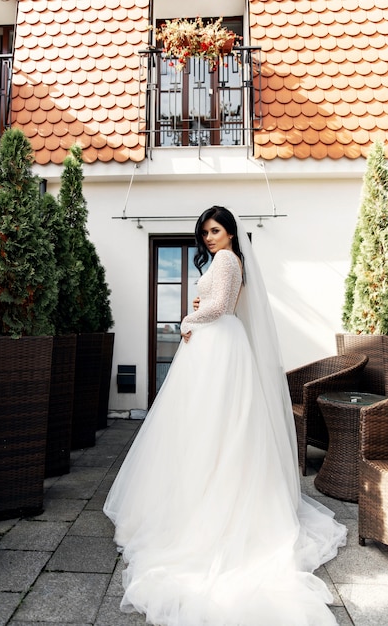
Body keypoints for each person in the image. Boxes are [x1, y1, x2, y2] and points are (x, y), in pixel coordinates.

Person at [103, 206, 347, 626]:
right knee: (205, 425)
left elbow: (218, 307)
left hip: (219, 345)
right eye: (205, 232)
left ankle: (212, 506)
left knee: (214, 424)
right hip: (217, 344)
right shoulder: (227, 261)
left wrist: (187, 317)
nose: (209, 237)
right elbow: (217, 300)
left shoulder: (228, 258)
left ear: (231, 232)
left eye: (215, 230)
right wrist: (201, 305)